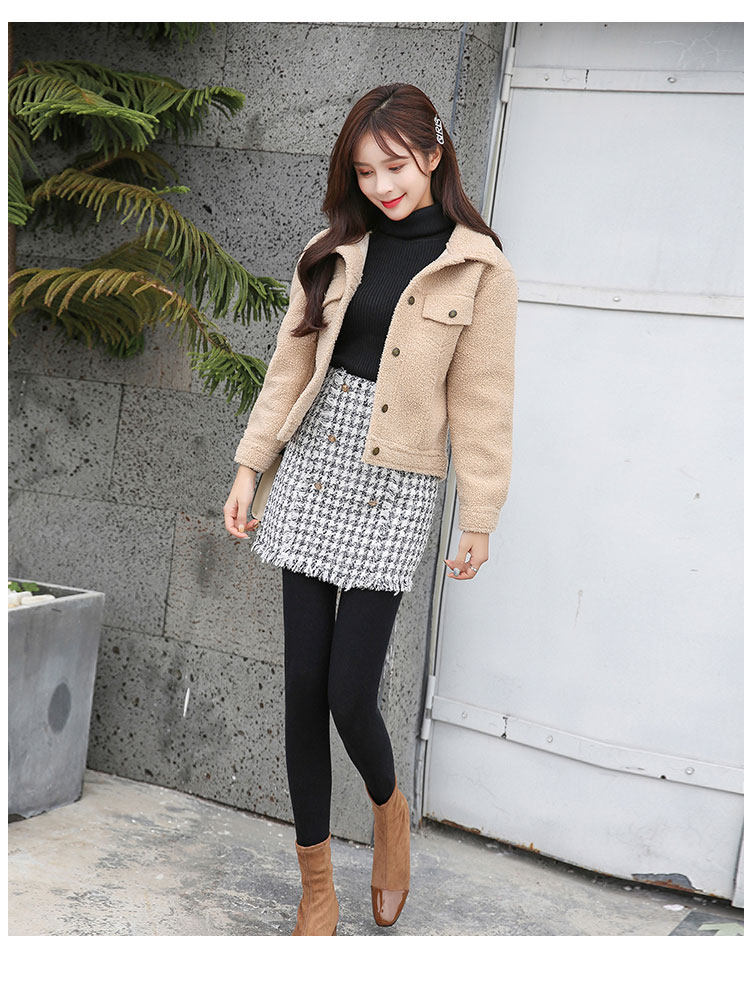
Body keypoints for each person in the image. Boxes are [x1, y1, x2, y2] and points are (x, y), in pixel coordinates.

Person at [223, 82, 518, 936]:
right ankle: (317, 885)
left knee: (350, 692)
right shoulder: (334, 248)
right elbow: (289, 366)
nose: (381, 186)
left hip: (398, 483)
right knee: (302, 688)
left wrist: (480, 514)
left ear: (433, 154)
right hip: (315, 467)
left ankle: (389, 812)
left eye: (395, 166)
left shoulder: (480, 268)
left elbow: (484, 401)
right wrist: (251, 465)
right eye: (364, 170)